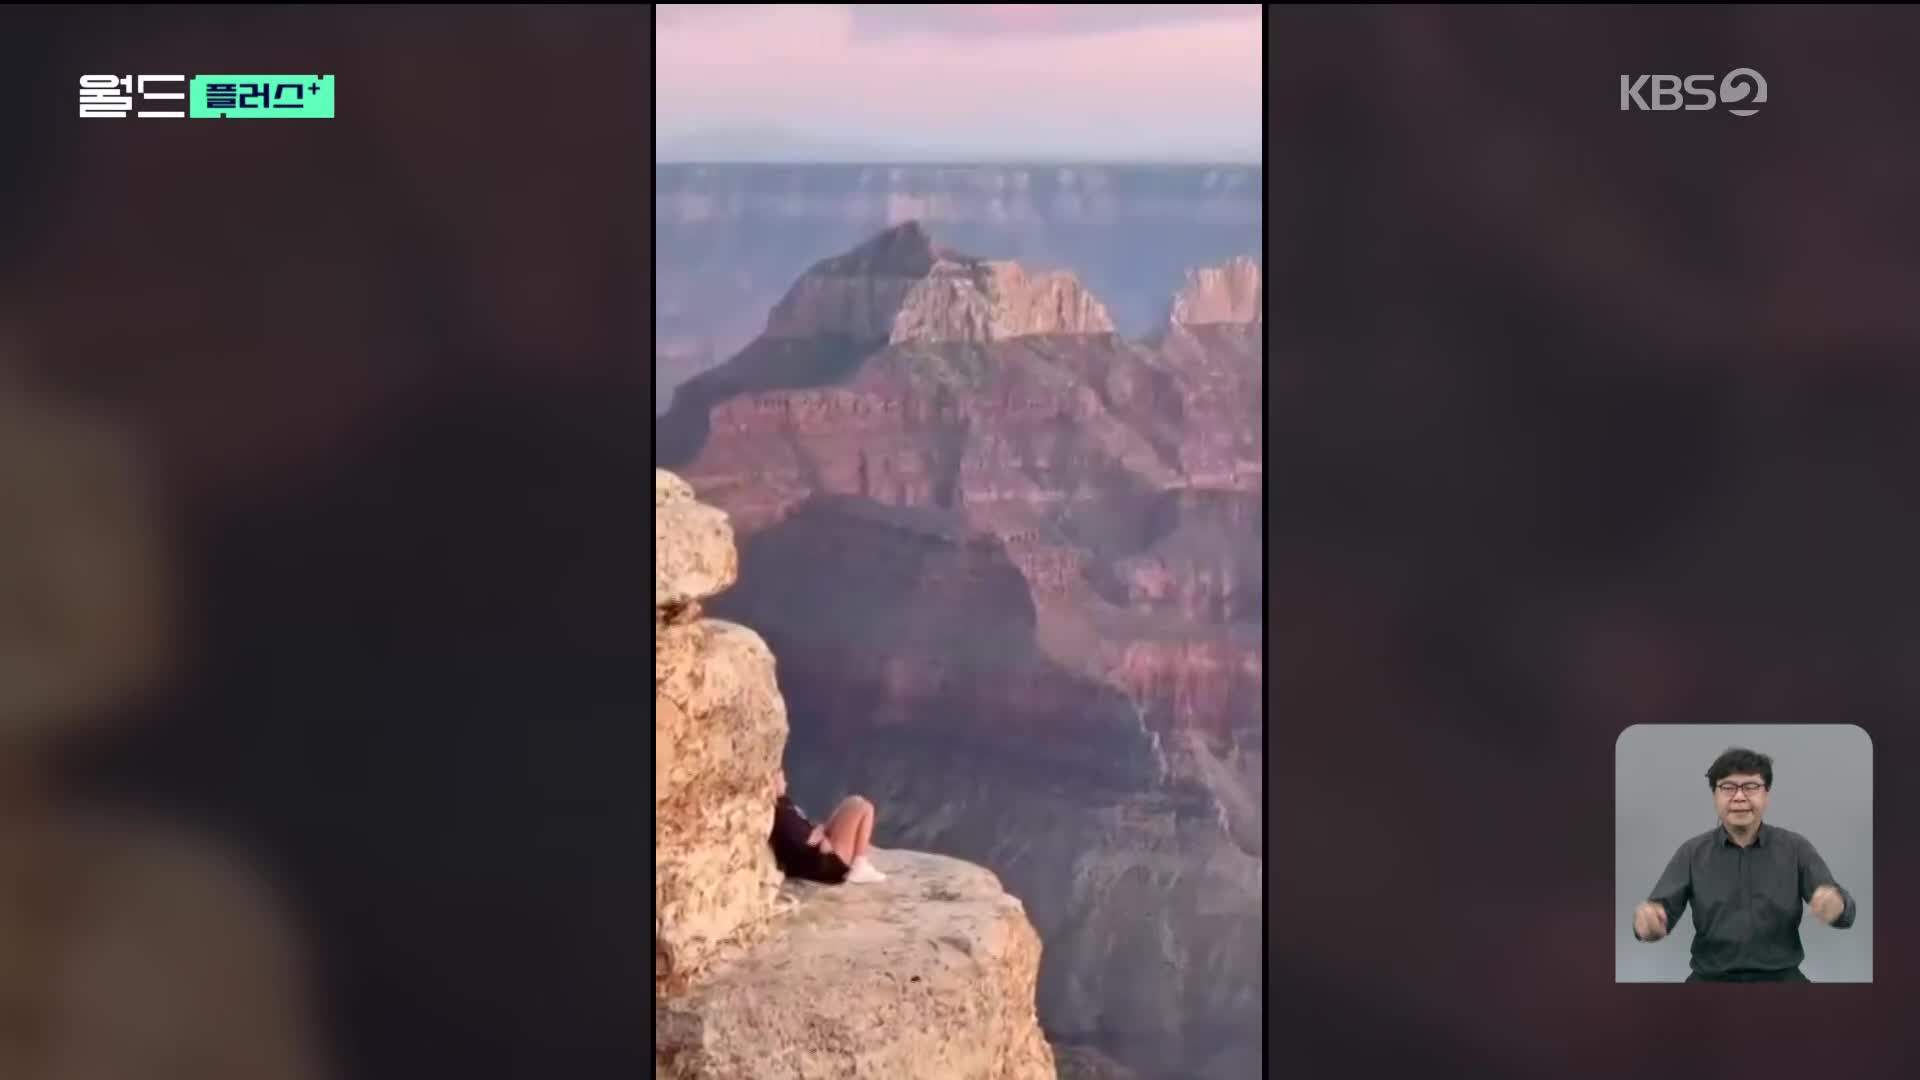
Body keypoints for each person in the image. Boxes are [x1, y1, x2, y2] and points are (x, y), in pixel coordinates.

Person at [1630, 747, 1858, 982]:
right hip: (1710, 980)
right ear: (1714, 796)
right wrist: (1647, 926)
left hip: (1782, 979)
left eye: (1750, 787)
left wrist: (1837, 906)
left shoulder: (1795, 848)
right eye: (1728, 787)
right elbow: (1655, 915)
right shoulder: (1692, 853)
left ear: (1766, 795)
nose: (1739, 797)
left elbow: (1844, 911)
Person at [768, 771, 886, 885]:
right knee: (865, 807)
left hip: (820, 850)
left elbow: (801, 830)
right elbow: (795, 843)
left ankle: (859, 862)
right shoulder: (781, 812)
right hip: (825, 862)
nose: (786, 782)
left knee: (852, 801)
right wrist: (817, 843)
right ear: (773, 785)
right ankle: (860, 865)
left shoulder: (784, 803)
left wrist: (817, 832)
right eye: (781, 779)